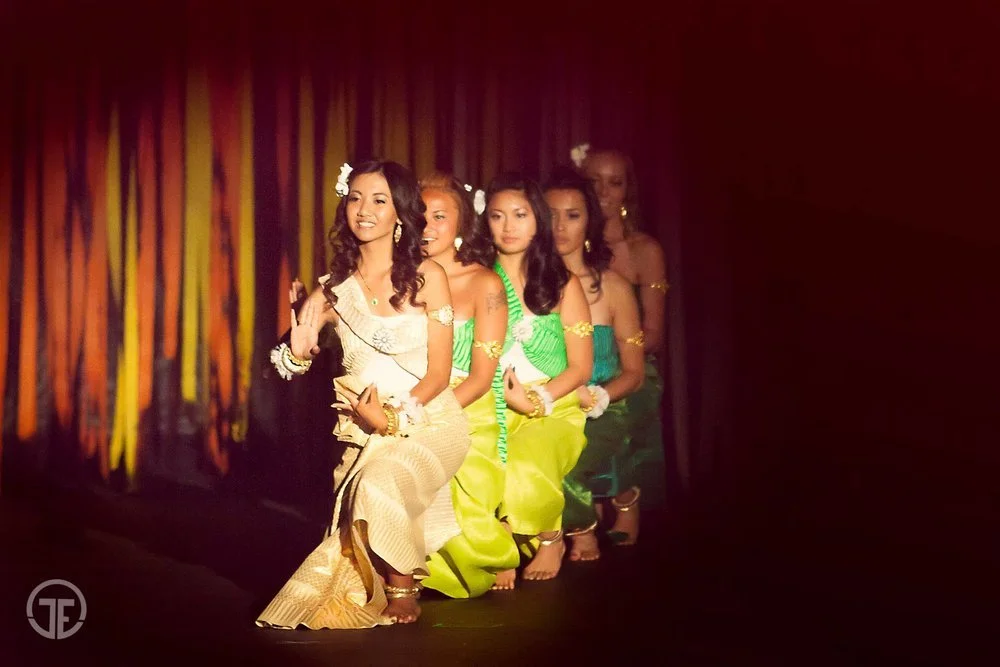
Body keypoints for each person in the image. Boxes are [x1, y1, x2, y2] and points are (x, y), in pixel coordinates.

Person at [256, 160, 469, 628]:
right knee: (360, 514)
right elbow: (286, 363)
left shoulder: (428, 276)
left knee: (379, 480)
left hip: (429, 419)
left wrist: (391, 419)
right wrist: (297, 354)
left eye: (379, 200)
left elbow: (439, 374)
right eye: (355, 198)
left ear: (400, 213)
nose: (364, 210)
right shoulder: (334, 290)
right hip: (362, 429)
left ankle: (402, 589)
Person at [460, 172, 592, 586]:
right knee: (475, 465)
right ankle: (502, 544)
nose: (508, 226)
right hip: (490, 404)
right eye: (497, 216)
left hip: (555, 407)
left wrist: (534, 401)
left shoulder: (562, 284)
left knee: (525, 461)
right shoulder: (477, 279)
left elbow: (581, 368)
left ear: (538, 218)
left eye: (520, 215)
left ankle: (550, 536)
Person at [416, 173, 520, 596]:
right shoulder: (403, 278)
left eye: (440, 216)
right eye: (419, 214)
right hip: (412, 400)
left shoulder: (485, 284)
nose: (427, 225)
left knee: (466, 503)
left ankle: (495, 546)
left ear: (462, 223)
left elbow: (481, 377)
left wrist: (427, 415)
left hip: (466, 407)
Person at [544, 166, 645, 561]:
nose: (560, 226)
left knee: (569, 456)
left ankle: (590, 519)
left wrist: (601, 397)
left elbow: (635, 372)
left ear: (590, 221)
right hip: (545, 403)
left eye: (572, 215)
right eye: (550, 214)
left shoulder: (613, 287)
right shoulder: (522, 285)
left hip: (602, 405)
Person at [580, 148, 668, 544]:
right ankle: (583, 504)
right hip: (577, 363)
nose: (603, 192)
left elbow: (654, 334)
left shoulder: (644, 249)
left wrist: (609, 363)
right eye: (594, 181)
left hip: (631, 364)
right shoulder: (568, 243)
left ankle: (624, 496)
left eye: (614, 182)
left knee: (618, 397)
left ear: (627, 190)